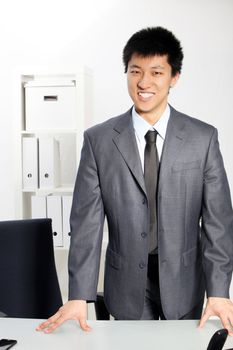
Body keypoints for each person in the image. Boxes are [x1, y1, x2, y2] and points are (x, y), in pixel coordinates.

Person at [37, 26, 233, 334]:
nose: (144, 82)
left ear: (174, 77)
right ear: (126, 73)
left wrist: (219, 291)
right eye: (135, 71)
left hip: (185, 282)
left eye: (156, 72)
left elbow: (217, 222)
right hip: (126, 283)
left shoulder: (203, 138)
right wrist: (78, 296)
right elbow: (86, 223)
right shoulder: (98, 140)